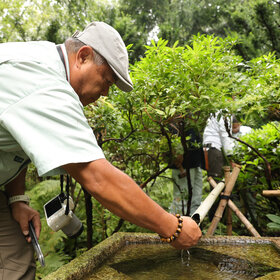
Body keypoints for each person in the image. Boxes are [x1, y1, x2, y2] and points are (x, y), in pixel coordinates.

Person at [0, 21, 201, 279]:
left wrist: (17, 199)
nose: (105, 93)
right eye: (106, 81)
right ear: (83, 56)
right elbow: (98, 177)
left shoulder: (44, 63)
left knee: (16, 256)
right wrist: (173, 228)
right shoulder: (44, 84)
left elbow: (14, 143)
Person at [170, 128, 205, 216]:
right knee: (181, 199)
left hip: (195, 163)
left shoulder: (191, 119)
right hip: (183, 166)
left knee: (196, 198)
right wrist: (179, 165)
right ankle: (176, 225)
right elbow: (174, 141)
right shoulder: (176, 119)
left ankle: (194, 224)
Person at [203, 112, 234, 181]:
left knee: (214, 178)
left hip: (210, 148)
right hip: (213, 148)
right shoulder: (224, 113)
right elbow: (225, 135)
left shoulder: (217, 111)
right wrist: (230, 156)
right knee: (216, 179)